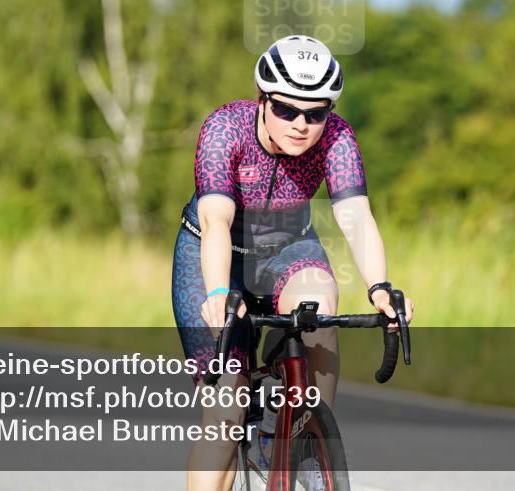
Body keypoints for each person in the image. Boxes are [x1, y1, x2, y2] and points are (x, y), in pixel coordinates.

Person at [171, 35, 414, 491]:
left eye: (316, 112)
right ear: (262, 100)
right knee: (227, 408)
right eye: (286, 109)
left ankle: (302, 435)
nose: (301, 124)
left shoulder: (337, 138)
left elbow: (355, 214)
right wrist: (220, 294)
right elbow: (216, 217)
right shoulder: (226, 129)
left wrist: (380, 288)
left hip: (288, 248)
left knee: (320, 314)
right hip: (215, 252)